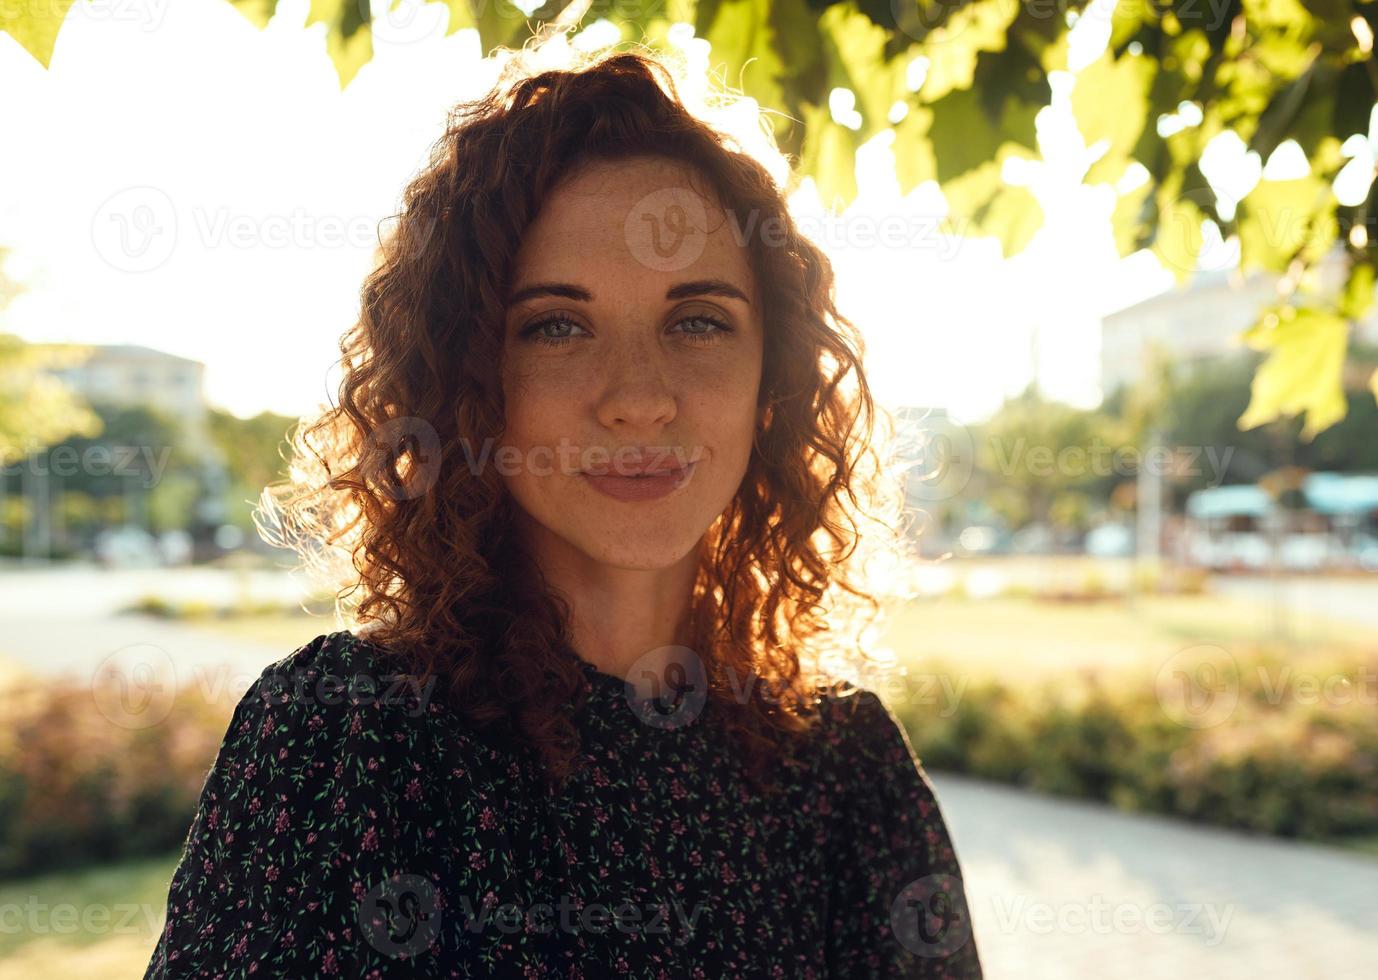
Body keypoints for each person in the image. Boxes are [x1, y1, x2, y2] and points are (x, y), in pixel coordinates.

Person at [145, 43, 983, 979]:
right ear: (471, 381)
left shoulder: (849, 774)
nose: (638, 397)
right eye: (557, 325)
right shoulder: (345, 740)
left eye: (696, 319)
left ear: (772, 383)